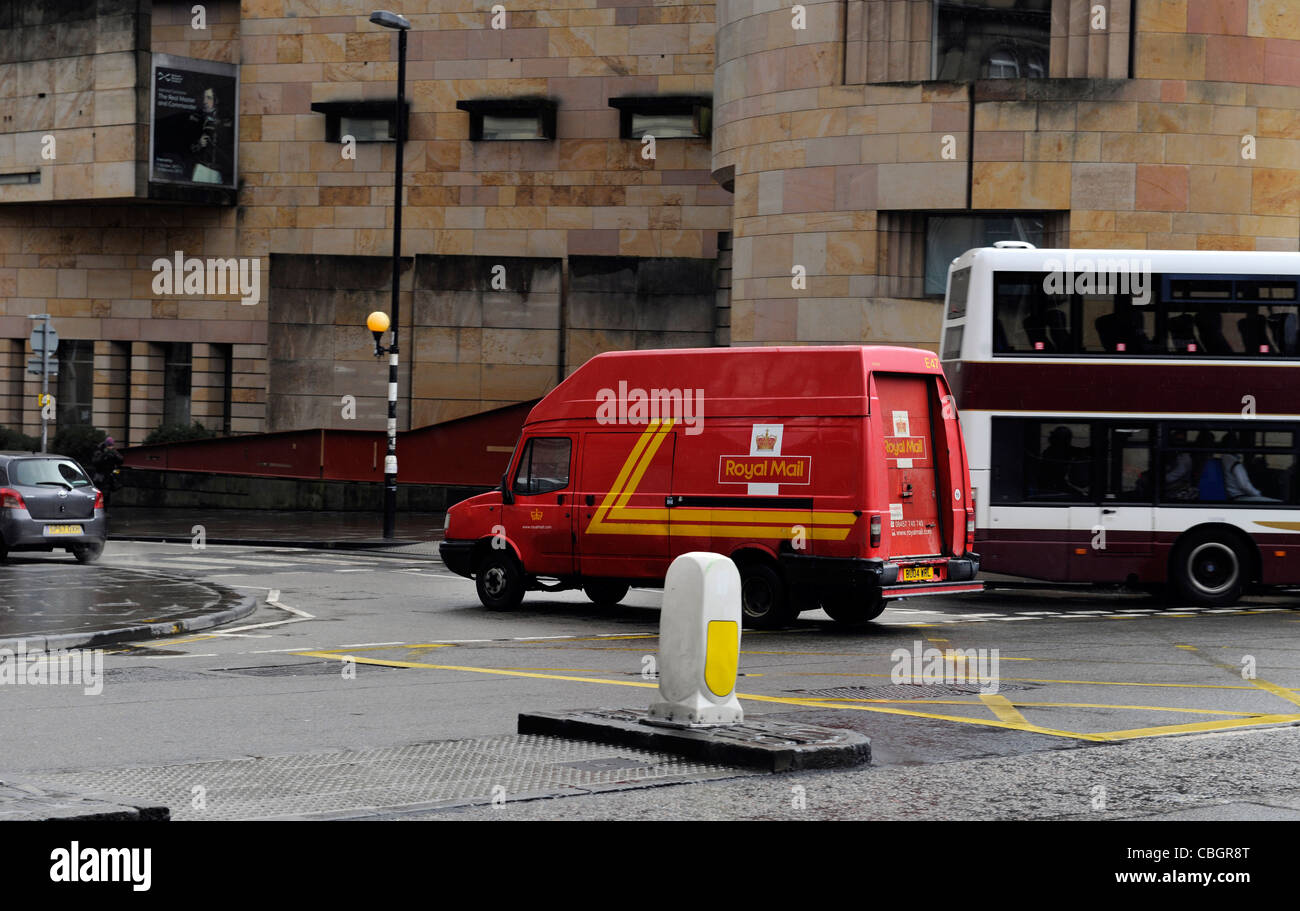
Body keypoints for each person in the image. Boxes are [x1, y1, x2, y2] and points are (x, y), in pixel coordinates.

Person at [90, 437, 124, 505]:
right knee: (100, 494)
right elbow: (95, 462)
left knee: (107, 494)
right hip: (100, 476)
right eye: (109, 446)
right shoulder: (100, 452)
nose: (110, 447)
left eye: (111, 446)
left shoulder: (113, 452)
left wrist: (114, 453)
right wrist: (104, 455)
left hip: (108, 476)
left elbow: (120, 460)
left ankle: (105, 510)